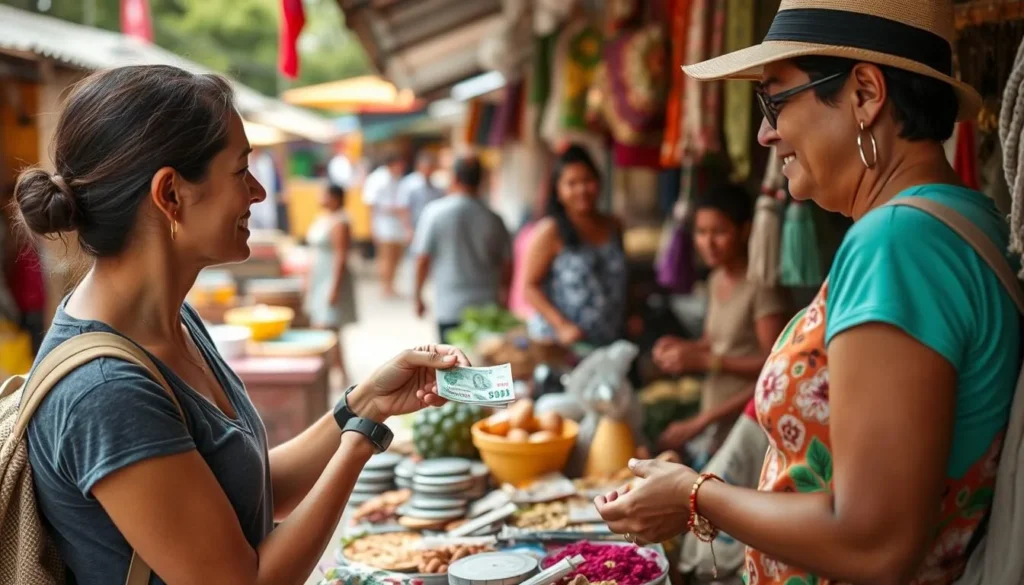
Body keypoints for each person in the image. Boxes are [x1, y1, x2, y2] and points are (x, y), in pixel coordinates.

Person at [595, 3, 1022, 585]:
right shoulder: (962, 219)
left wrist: (697, 495)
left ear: (866, 93)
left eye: (775, 100)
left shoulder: (897, 242)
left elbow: (873, 541)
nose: (766, 132)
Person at [13, 64, 463, 585]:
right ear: (170, 194)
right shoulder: (106, 392)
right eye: (240, 170)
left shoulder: (173, 321)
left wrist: (364, 405)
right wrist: (360, 441)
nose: (258, 192)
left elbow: (252, 492)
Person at [651, 184, 787, 463]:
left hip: (749, 424)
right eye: (701, 232)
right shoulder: (715, 280)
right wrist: (683, 348)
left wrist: (701, 418)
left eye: (720, 232)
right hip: (718, 421)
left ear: (745, 230)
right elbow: (714, 343)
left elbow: (773, 369)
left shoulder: (761, 286)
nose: (708, 243)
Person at [524, 145, 628, 347]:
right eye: (572, 183)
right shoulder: (550, 231)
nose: (581, 189)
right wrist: (561, 325)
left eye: (587, 180)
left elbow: (623, 279)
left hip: (610, 340)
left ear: (598, 182)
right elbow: (529, 287)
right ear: (559, 190)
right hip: (564, 347)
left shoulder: (613, 225)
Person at [412, 155, 512, 343]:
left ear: (455, 178)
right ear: (481, 180)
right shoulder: (494, 219)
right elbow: (507, 264)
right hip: (487, 310)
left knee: (452, 369)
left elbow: (422, 259)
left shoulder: (434, 213)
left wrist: (417, 296)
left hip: (449, 308)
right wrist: (504, 298)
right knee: (482, 370)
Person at [304, 183, 358, 383]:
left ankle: (334, 373)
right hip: (319, 277)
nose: (320, 198)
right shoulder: (323, 218)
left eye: (324, 194)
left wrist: (334, 288)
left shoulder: (341, 221)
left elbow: (341, 256)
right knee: (324, 327)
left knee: (327, 327)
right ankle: (337, 373)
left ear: (334, 197)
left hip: (330, 278)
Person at [362, 153, 408, 297]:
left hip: (397, 224)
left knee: (396, 257)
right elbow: (370, 204)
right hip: (384, 223)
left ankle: (391, 284)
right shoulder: (377, 179)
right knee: (386, 257)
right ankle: (385, 286)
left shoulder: (398, 179)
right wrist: (372, 226)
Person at [398, 150, 443, 232]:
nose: (428, 171)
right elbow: (403, 207)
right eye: (426, 167)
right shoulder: (409, 184)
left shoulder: (437, 184)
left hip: (432, 227)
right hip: (415, 227)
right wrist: (408, 229)